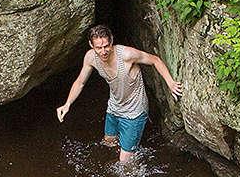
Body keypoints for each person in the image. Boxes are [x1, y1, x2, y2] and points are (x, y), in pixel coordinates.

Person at [56, 23, 182, 165]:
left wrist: (170, 83)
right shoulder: (91, 58)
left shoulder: (127, 55)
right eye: (98, 47)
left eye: (106, 46)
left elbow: (155, 60)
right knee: (108, 142)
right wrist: (67, 104)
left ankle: (131, 163)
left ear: (111, 41)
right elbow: (80, 82)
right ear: (91, 45)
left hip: (135, 111)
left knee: (124, 163)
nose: (103, 51)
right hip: (115, 107)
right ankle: (129, 148)